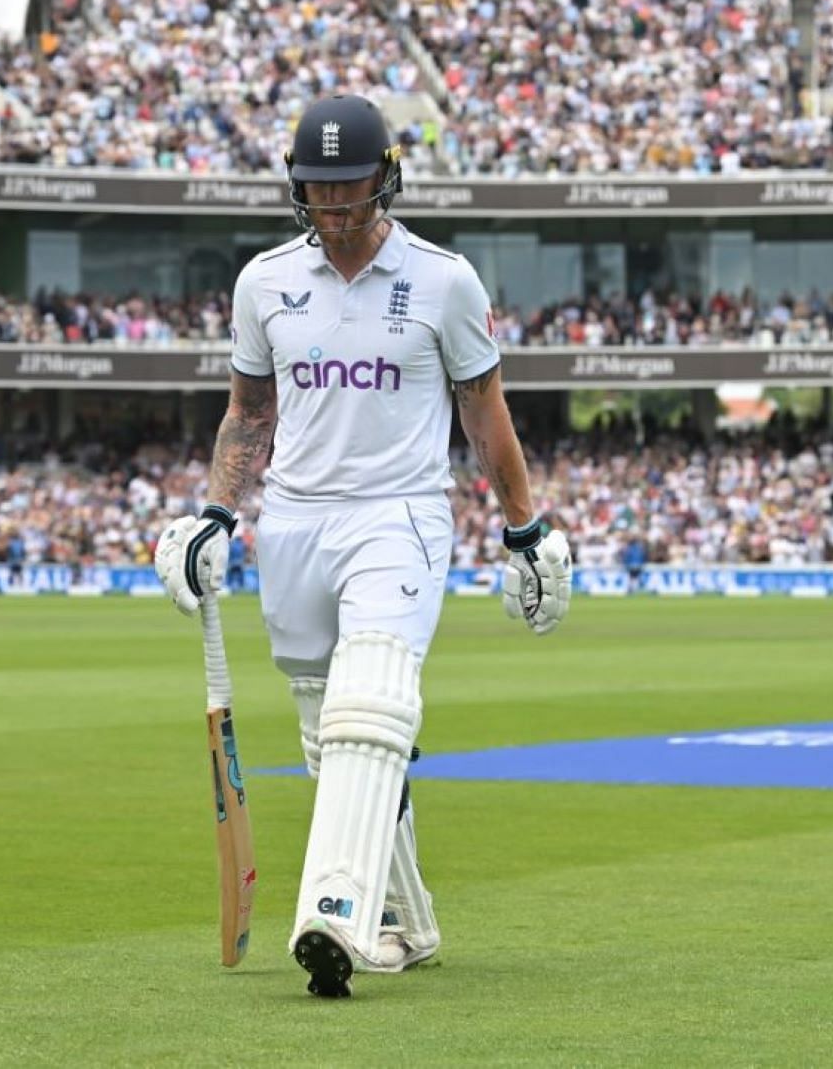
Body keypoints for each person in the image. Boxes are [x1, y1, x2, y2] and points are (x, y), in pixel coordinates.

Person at [155, 95, 572, 999]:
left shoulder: (444, 280)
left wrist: (525, 526)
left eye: (349, 188)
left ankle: (337, 912)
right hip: (297, 521)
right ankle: (408, 919)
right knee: (327, 732)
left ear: (385, 180)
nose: (336, 207)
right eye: (318, 189)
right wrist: (215, 514)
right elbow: (249, 412)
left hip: (400, 514)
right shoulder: (265, 282)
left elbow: (483, 409)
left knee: (370, 705)